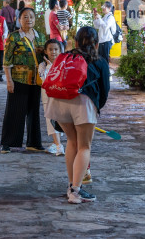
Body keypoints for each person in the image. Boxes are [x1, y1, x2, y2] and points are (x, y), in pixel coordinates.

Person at [45, 26, 110, 203]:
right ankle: (75, 191)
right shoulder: (100, 62)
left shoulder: (64, 57)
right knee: (84, 147)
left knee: (72, 141)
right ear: (96, 44)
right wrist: (97, 109)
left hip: (59, 101)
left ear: (75, 42)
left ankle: (72, 185)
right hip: (83, 103)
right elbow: (104, 91)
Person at [1, 8, 45, 153]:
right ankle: (7, 143)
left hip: (36, 80)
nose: (29, 19)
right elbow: (7, 60)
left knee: (34, 111)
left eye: (31, 16)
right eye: (25, 17)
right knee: (14, 111)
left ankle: (33, 142)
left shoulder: (40, 37)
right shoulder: (14, 37)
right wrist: (9, 81)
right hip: (19, 79)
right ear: (19, 19)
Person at [38, 39, 65, 156]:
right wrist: (50, 66)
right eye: (50, 49)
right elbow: (45, 80)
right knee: (51, 121)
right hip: (48, 98)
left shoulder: (64, 64)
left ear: (60, 51)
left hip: (61, 98)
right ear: (45, 51)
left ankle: (58, 145)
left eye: (56, 49)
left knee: (60, 121)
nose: (53, 52)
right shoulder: (42, 66)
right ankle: (57, 144)